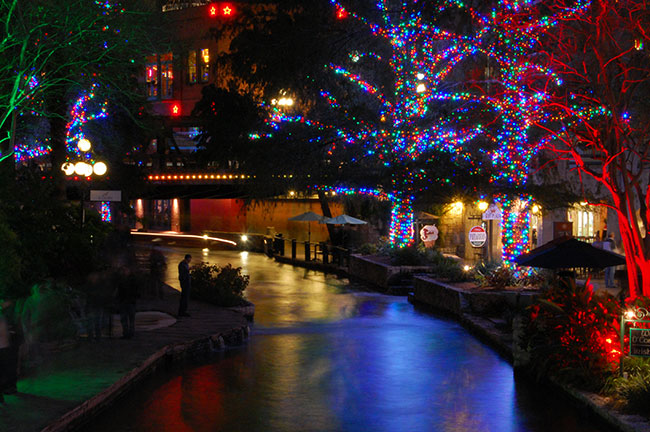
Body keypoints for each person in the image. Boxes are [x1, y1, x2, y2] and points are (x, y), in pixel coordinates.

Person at [116, 267, 138, 339]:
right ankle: (127, 333)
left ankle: (129, 333)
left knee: (128, 318)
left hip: (128, 301)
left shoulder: (130, 280)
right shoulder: (131, 280)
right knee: (126, 318)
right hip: (126, 301)